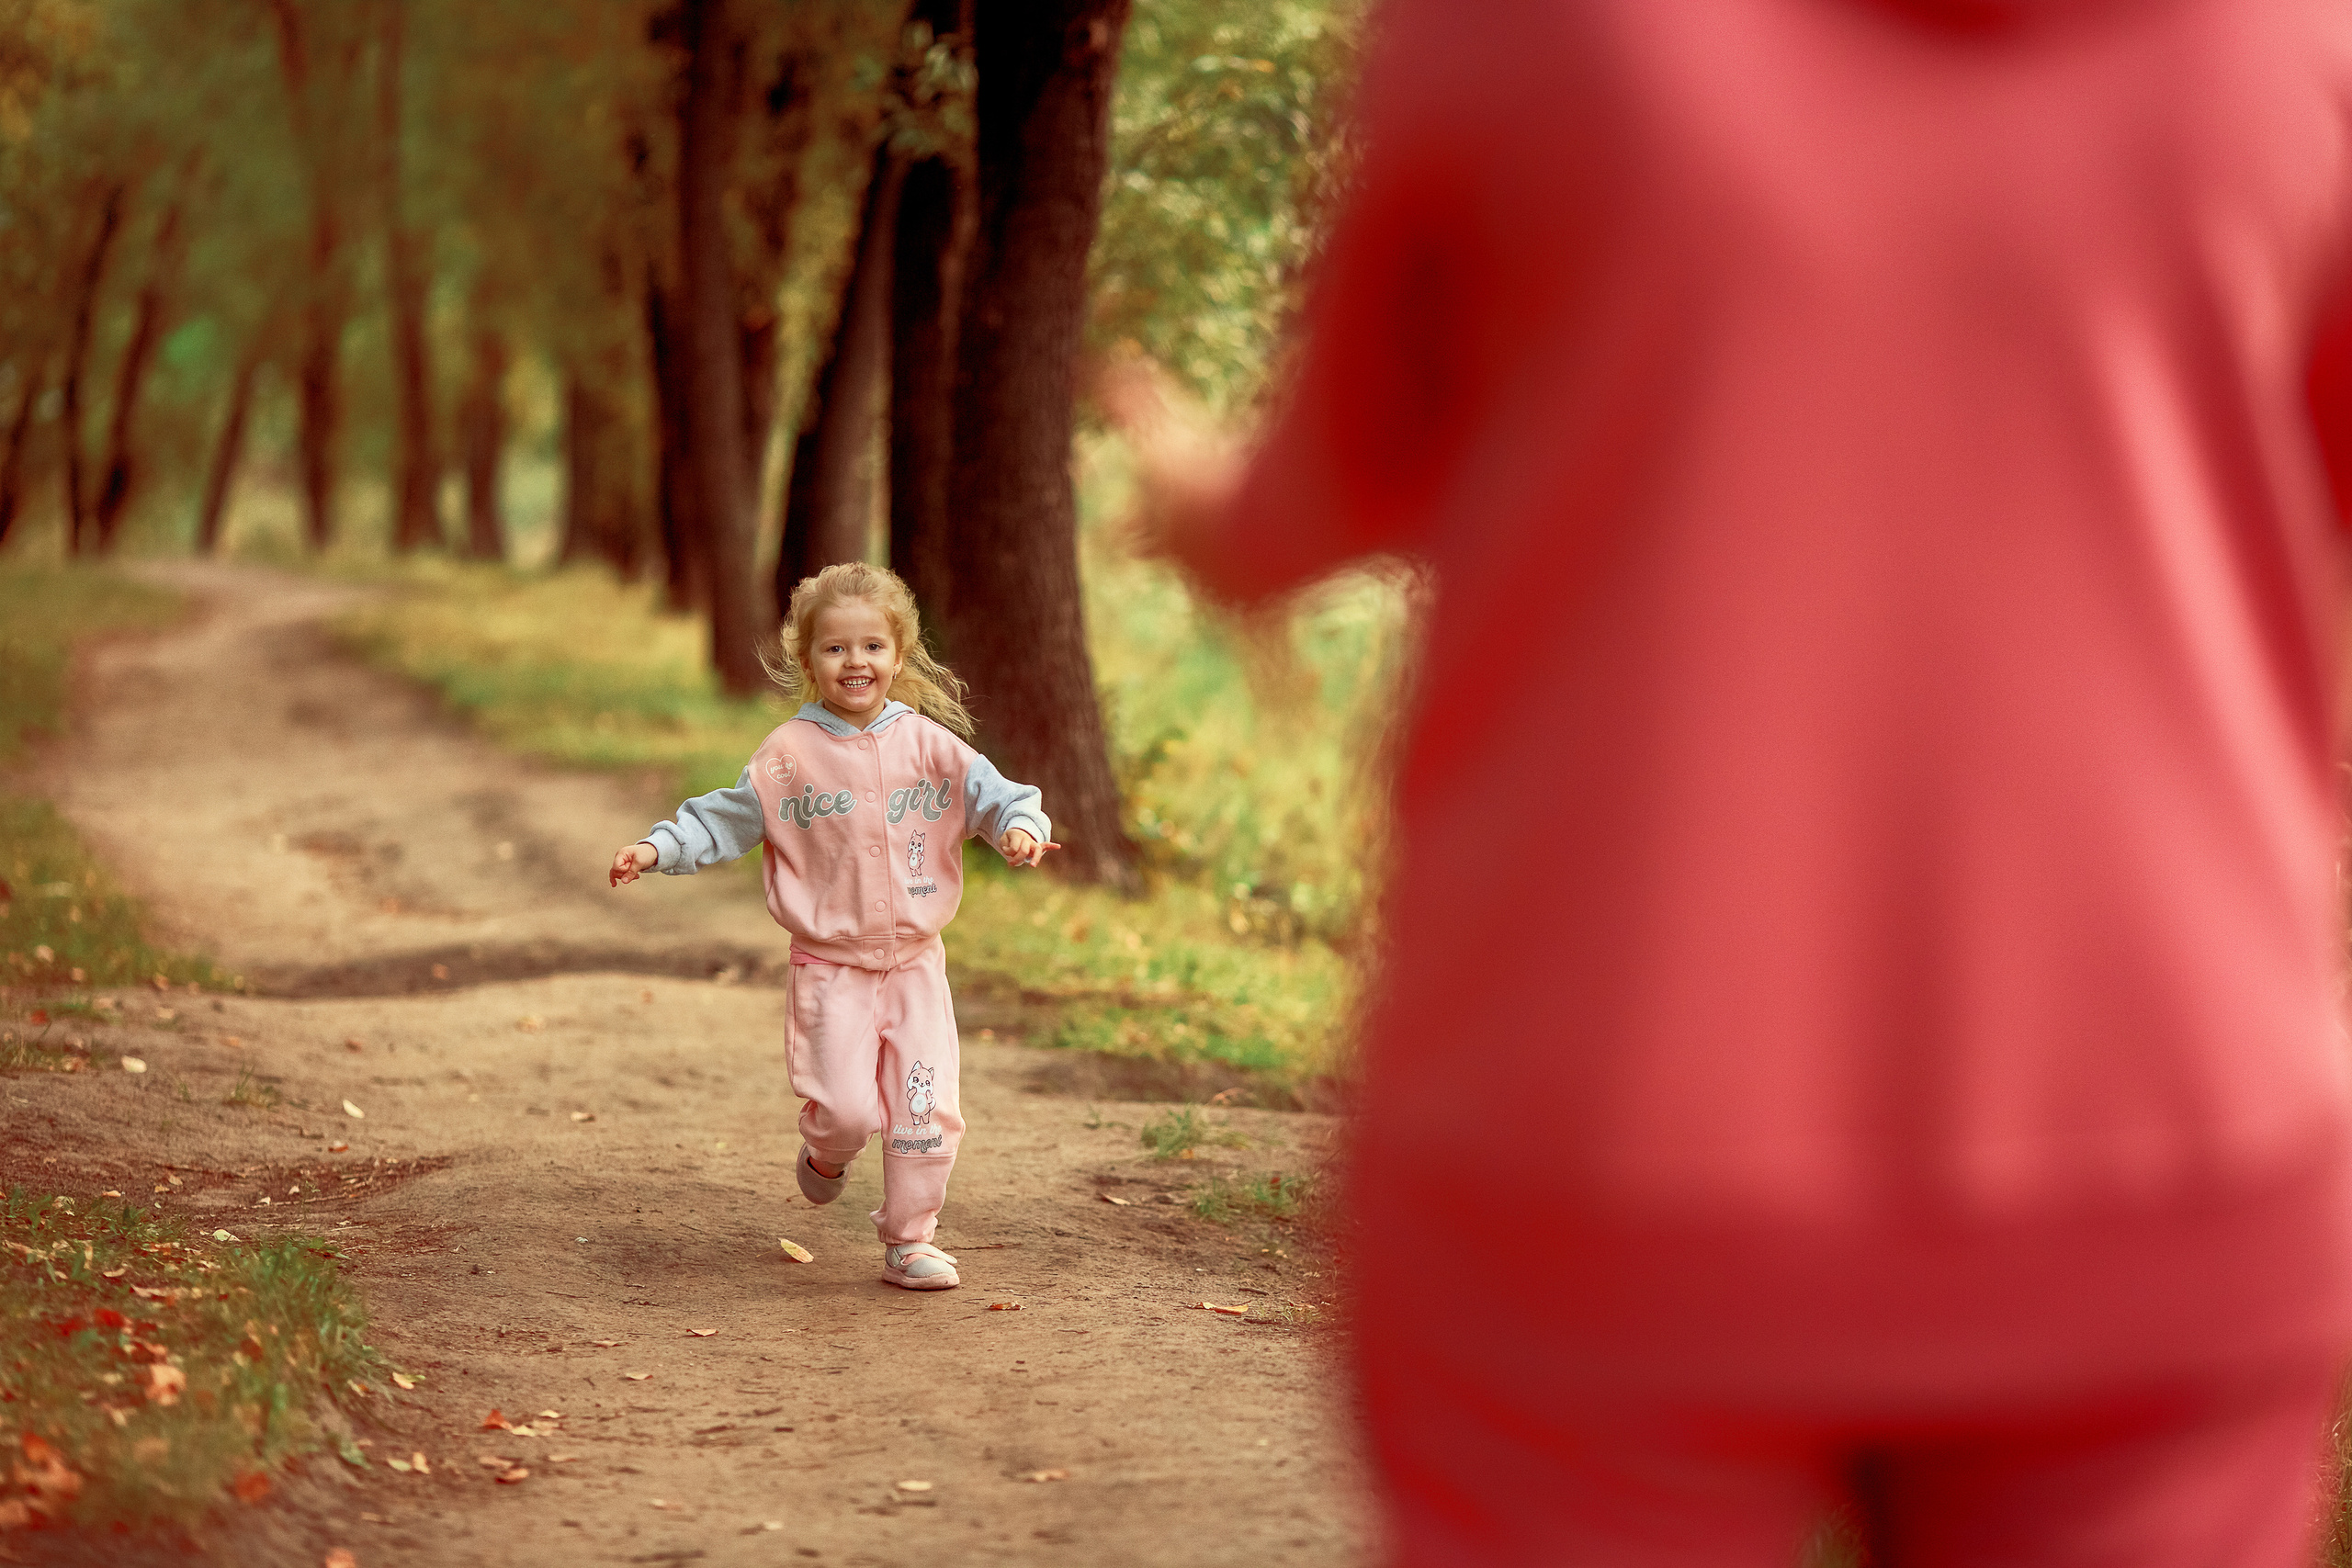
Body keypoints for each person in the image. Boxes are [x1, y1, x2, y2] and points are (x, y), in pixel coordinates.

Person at [1114, 0, 2352, 1560]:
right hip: (2175, 1134)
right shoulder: (2300, 48)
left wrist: (1191, 499)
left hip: (1594, 1135)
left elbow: (1325, 486)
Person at [608, 561, 1057, 1292]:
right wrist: (656, 848)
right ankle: (826, 1153)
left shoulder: (929, 745)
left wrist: (1021, 828)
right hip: (831, 968)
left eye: (873, 647)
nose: (857, 662)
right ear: (809, 660)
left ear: (899, 656)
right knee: (847, 1109)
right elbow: (724, 818)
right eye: (837, 648)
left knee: (924, 1106)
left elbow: (999, 796)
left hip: (915, 965)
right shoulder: (789, 755)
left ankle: (910, 1239)